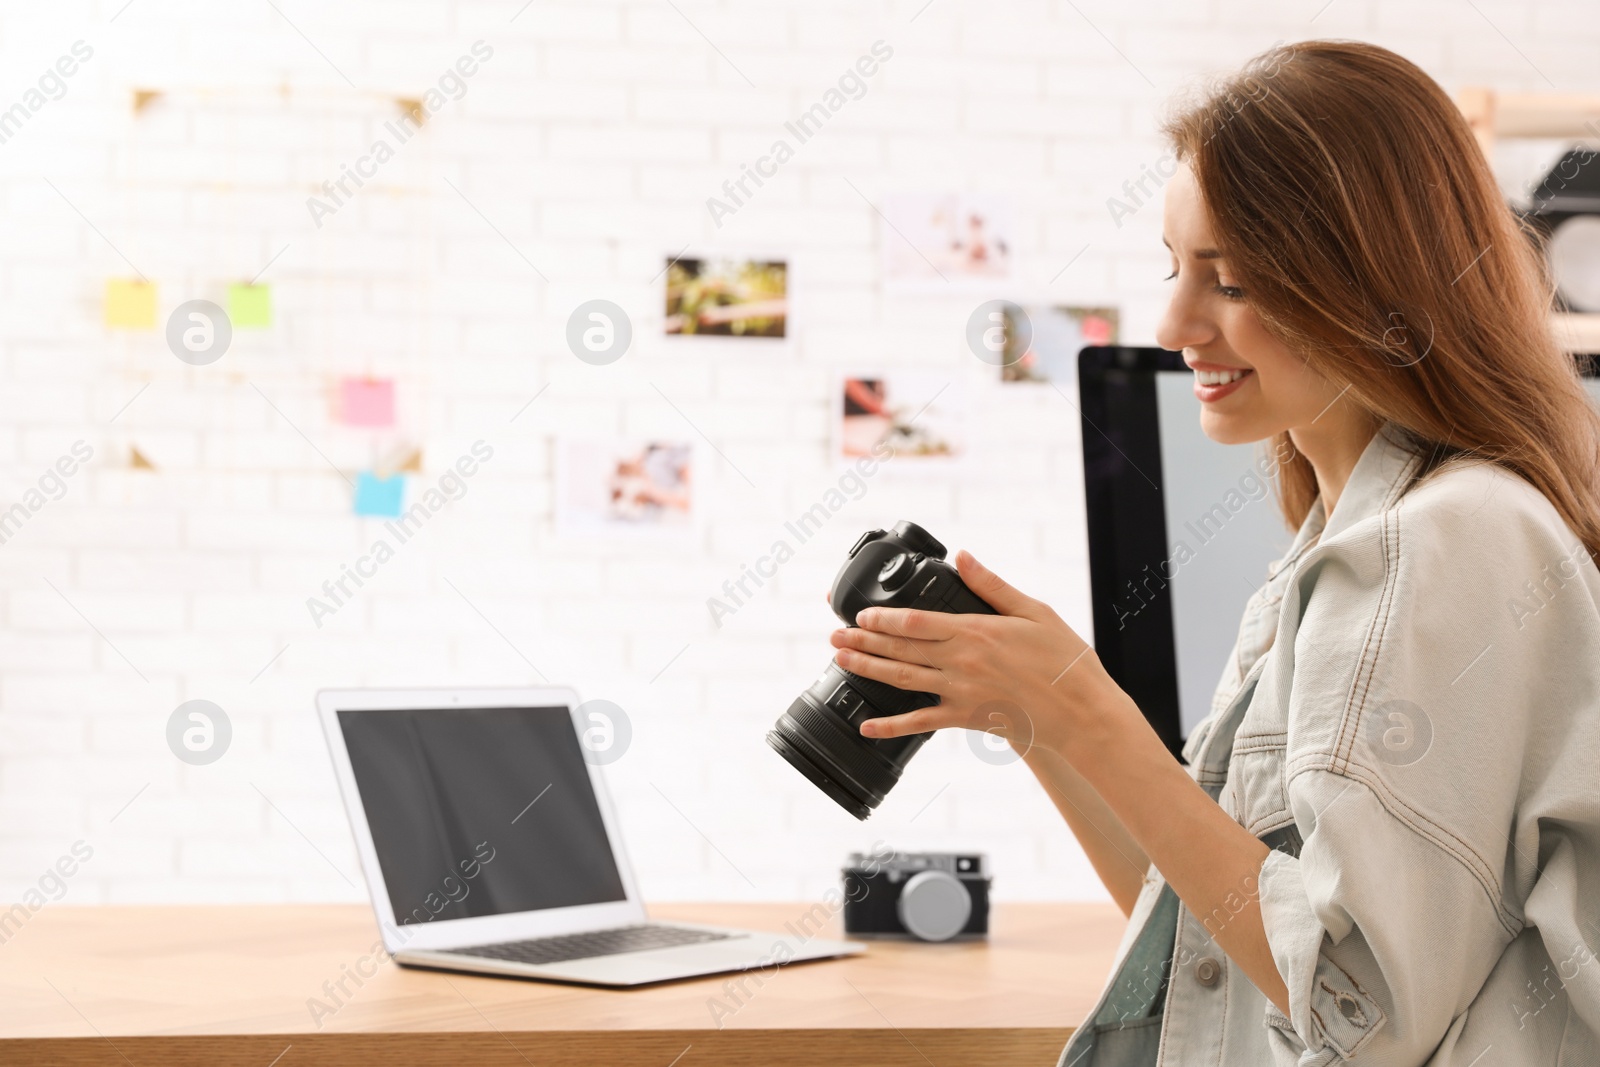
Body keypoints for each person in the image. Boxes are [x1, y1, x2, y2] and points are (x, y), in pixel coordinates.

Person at [829, 40, 1600, 1065]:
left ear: (1370, 288)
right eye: (1174, 267)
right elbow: (1199, 941)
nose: (1175, 323)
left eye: (1229, 281)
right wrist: (1039, 717)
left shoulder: (1443, 537)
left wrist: (1087, 712)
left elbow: (1353, 1009)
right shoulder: (1338, 545)